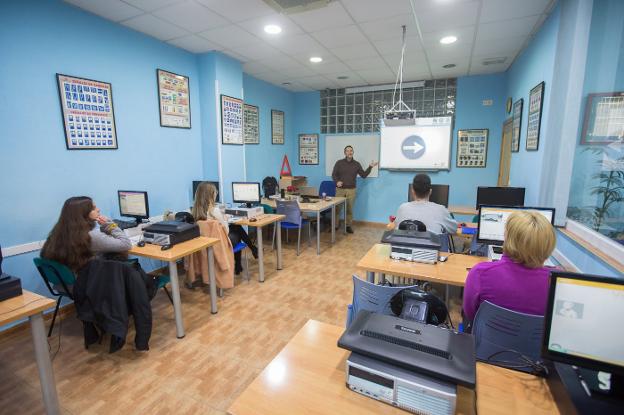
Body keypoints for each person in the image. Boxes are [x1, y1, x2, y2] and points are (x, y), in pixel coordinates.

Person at [462, 211, 557, 322]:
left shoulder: (480, 273)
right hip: (534, 339)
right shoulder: (555, 283)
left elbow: (470, 314)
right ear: (548, 244)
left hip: (487, 338)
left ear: (507, 238)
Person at [41, 196, 131, 272]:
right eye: (93, 208)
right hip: (87, 286)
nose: (98, 210)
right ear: (83, 214)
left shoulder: (57, 235)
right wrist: (110, 225)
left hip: (66, 285)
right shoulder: (90, 237)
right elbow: (126, 244)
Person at [192, 182, 258, 275]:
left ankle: (242, 261)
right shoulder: (214, 211)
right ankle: (248, 253)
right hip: (220, 244)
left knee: (236, 227)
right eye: (215, 193)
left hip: (207, 244)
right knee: (237, 229)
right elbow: (225, 231)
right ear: (211, 195)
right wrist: (225, 219)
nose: (216, 194)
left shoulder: (195, 211)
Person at [331, 145, 378, 233]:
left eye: (351, 150)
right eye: (347, 151)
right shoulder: (339, 163)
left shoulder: (357, 164)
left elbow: (363, 175)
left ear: (353, 152)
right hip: (340, 190)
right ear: (344, 153)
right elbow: (334, 174)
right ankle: (335, 225)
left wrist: (370, 167)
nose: (349, 152)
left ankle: (348, 226)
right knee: (337, 208)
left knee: (349, 209)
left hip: (351, 190)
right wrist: (337, 181)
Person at [392, 174, 457, 234]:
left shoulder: (402, 208)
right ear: (430, 191)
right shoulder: (441, 210)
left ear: (412, 191)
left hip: (405, 245)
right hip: (431, 246)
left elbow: (397, 226)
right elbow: (454, 229)